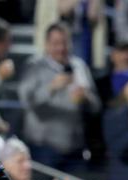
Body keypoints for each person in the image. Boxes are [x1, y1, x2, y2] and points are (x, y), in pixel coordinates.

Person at [18, 22, 101, 170]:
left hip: (75, 147)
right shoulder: (34, 66)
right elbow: (25, 100)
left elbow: (96, 106)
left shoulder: (79, 66)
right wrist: (50, 88)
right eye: (56, 43)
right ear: (47, 44)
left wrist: (86, 97)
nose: (61, 48)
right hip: (44, 147)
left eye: (64, 43)